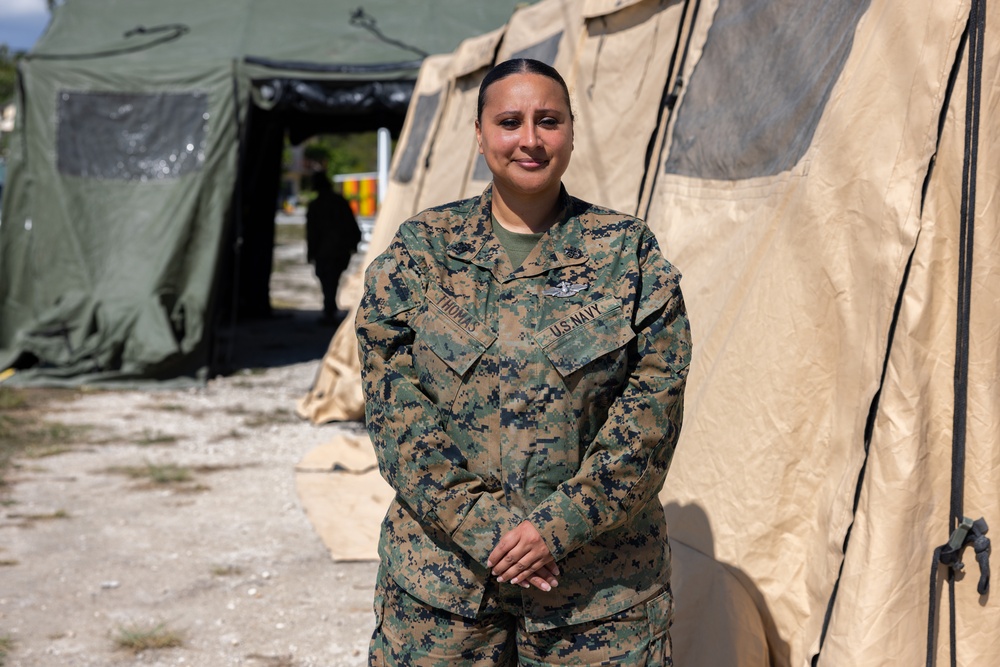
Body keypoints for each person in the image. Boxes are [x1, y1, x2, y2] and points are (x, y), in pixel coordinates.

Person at [357, 58, 691, 666]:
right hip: (443, 589)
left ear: (571, 130)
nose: (530, 140)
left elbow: (651, 413)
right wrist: (483, 526)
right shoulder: (422, 251)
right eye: (510, 122)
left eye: (549, 121)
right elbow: (392, 406)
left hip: (596, 594)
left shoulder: (625, 255)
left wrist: (557, 527)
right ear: (480, 134)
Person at [305, 170, 361, 324]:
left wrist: (311, 252)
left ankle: (329, 310)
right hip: (337, 250)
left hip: (328, 251)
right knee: (331, 280)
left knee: (328, 280)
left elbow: (312, 232)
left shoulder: (317, 205)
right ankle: (329, 308)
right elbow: (351, 224)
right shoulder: (338, 202)